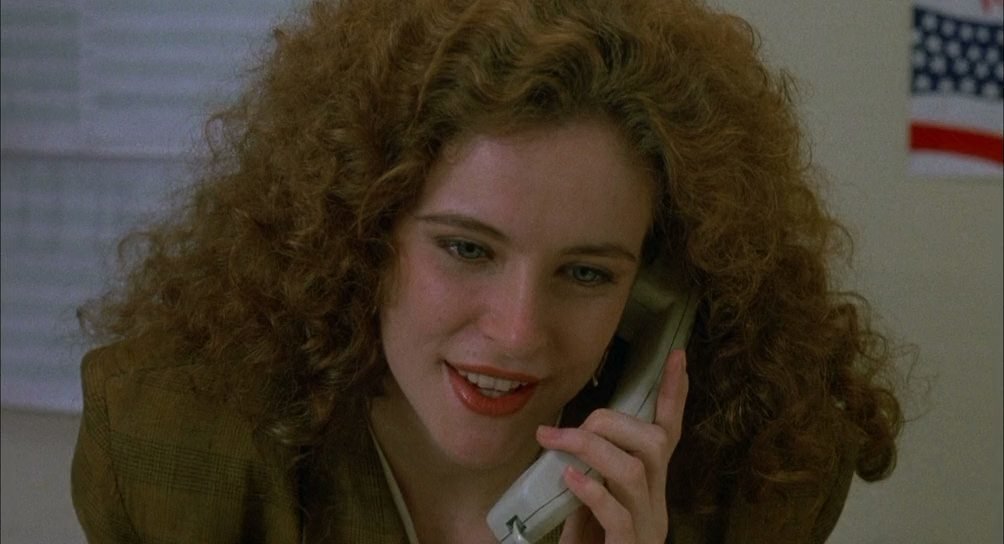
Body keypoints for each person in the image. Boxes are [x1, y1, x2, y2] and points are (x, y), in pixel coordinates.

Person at [70, 0, 903, 542]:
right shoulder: (172, 450)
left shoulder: (756, 489)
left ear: (656, 291)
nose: (516, 333)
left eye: (587, 273)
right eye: (467, 249)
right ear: (361, 231)